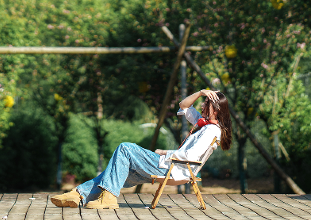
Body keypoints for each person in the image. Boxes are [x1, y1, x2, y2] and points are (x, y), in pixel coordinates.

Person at [50, 89, 233, 210]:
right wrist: (201, 92)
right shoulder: (204, 125)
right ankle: (78, 195)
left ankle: (108, 198)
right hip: (171, 167)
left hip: (171, 168)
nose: (202, 105)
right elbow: (184, 106)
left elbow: (189, 155)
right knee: (116, 172)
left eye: (206, 103)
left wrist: (164, 153)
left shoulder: (211, 131)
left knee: (125, 148)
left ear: (216, 109)